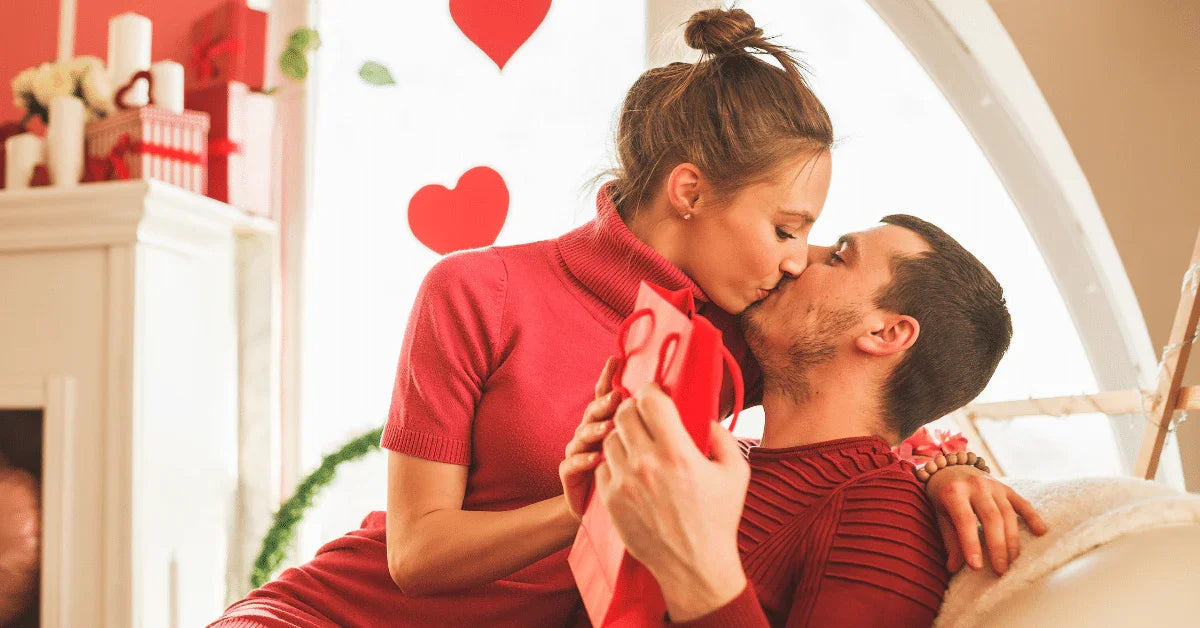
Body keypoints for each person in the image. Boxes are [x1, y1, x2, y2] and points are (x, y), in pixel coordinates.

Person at [211, 9, 1041, 628]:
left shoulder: (730, 342)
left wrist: (943, 464)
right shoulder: (476, 290)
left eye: (815, 240)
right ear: (689, 191)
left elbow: (853, 400)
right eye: (786, 230)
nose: (796, 259)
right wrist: (593, 501)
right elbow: (416, 556)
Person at [568, 215, 1033, 627]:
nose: (793, 259)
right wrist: (590, 508)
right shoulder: (718, 458)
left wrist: (700, 573)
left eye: (837, 257)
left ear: (885, 333)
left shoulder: (882, 514)